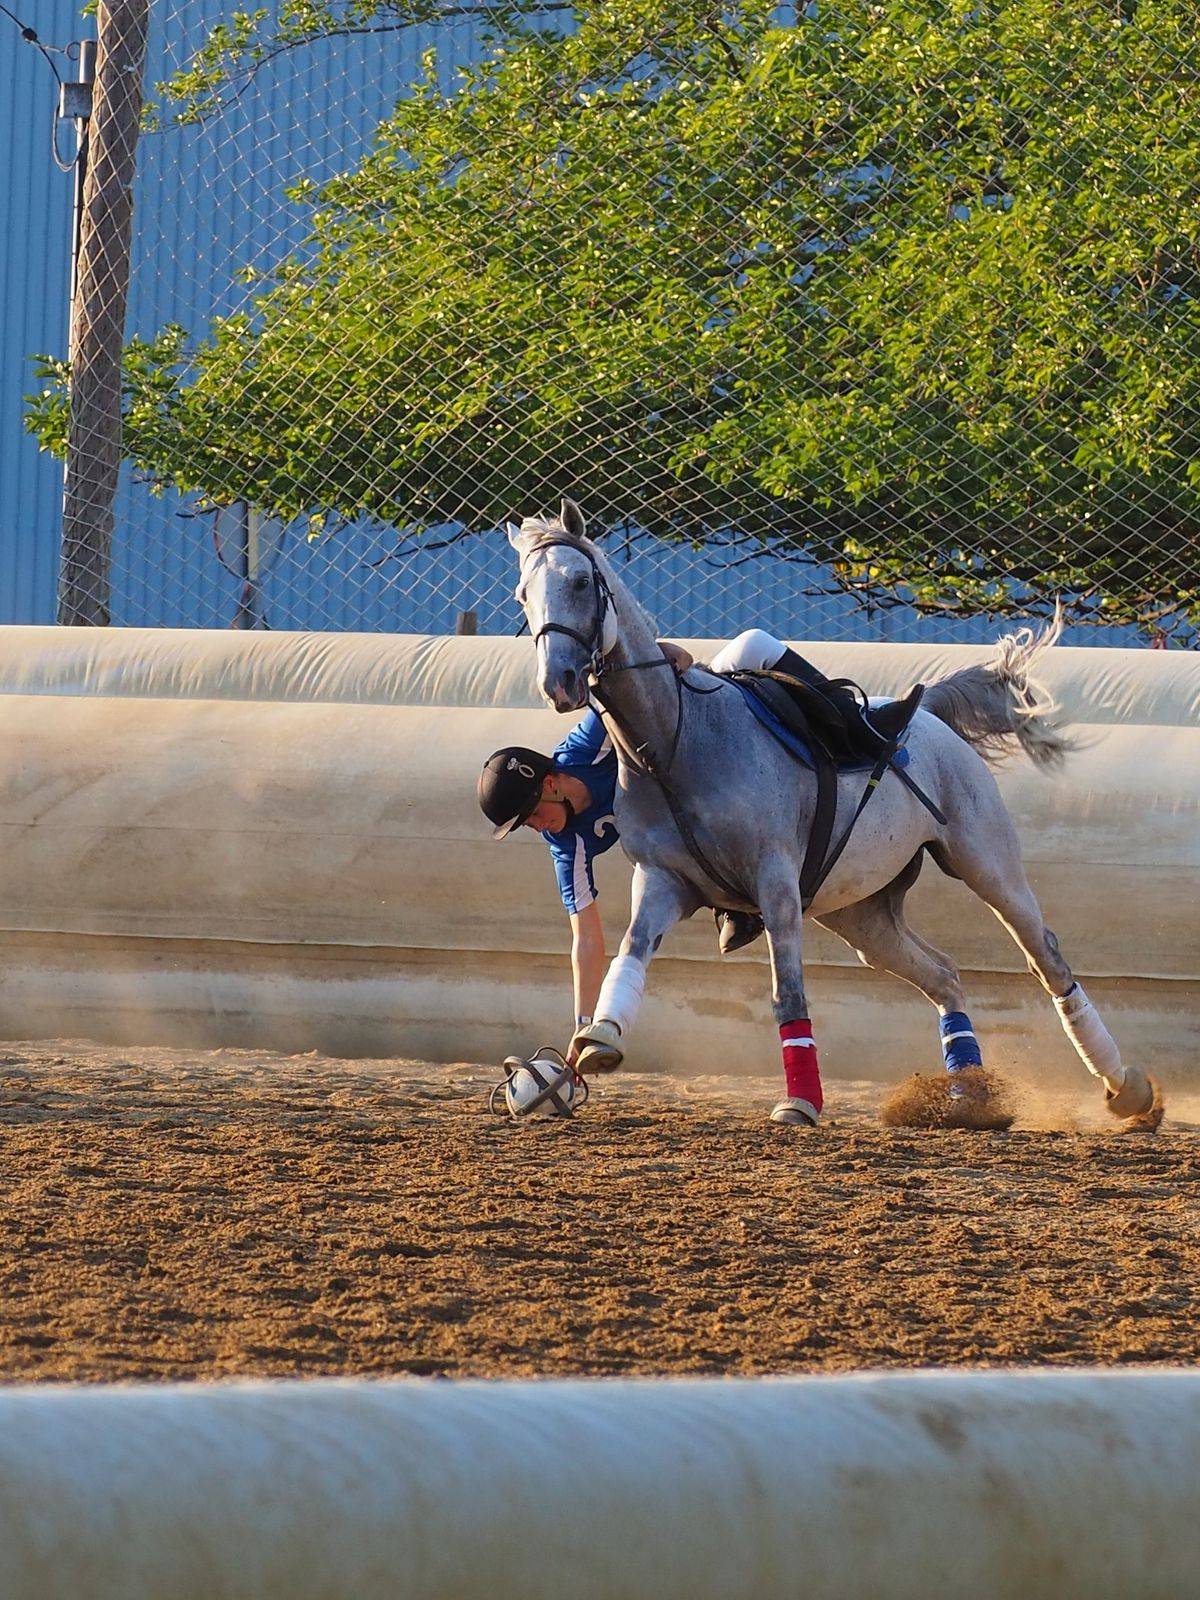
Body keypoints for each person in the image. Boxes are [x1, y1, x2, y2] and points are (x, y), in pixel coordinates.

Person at [477, 628, 864, 1049]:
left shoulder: (594, 739)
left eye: (532, 814)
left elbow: (658, 666)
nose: (535, 827)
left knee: (753, 645)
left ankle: (863, 731)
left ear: (551, 783)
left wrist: (668, 656)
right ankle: (731, 904)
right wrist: (583, 1025)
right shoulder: (566, 843)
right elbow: (585, 938)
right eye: (524, 825)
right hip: (690, 838)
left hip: (708, 747)